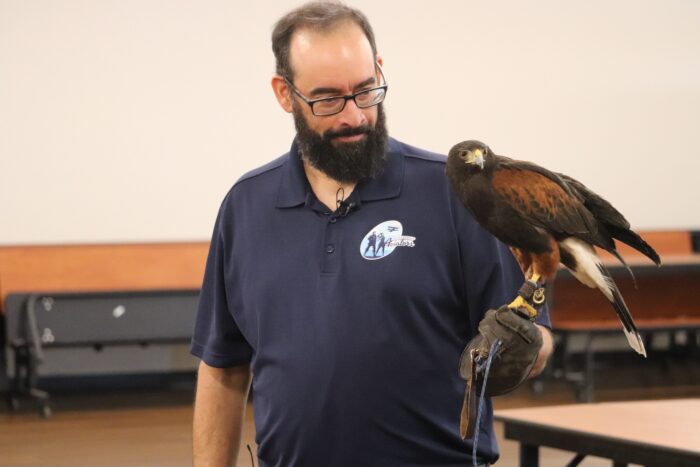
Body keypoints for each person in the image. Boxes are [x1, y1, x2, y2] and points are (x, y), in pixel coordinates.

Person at [191, 3, 553, 466]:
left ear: (380, 70)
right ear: (285, 94)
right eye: (327, 99)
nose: (354, 116)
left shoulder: (456, 195)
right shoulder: (246, 206)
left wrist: (525, 348)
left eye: (366, 91)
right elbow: (223, 368)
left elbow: (537, 338)